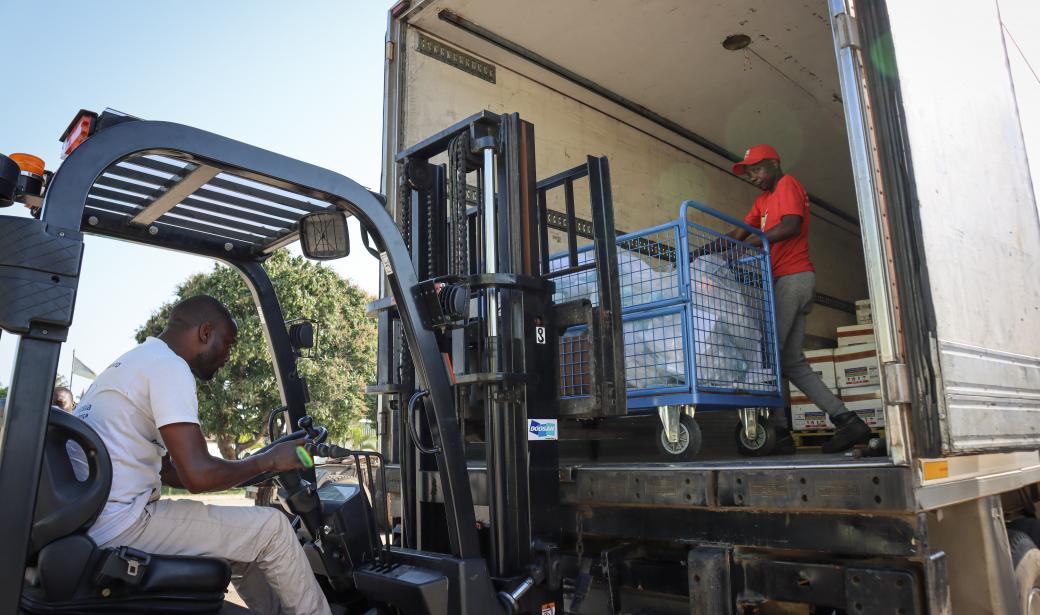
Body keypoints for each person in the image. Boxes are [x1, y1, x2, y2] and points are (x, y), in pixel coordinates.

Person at [71, 295, 332, 615]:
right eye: (228, 344)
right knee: (273, 528)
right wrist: (269, 460)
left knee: (247, 544)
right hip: (122, 523)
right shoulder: (169, 366)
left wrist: (250, 466)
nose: (228, 356)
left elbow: (170, 471)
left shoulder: (135, 361)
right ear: (205, 332)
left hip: (99, 518)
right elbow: (197, 475)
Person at [724, 144, 871, 454]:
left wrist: (751, 243)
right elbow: (738, 232)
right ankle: (848, 421)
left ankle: (778, 431)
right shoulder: (762, 201)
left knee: (769, 355)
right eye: (749, 173)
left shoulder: (788, 184)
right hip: (790, 281)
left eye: (758, 169)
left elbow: (791, 225)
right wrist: (704, 250)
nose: (754, 177)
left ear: (775, 164)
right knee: (791, 361)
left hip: (793, 278)